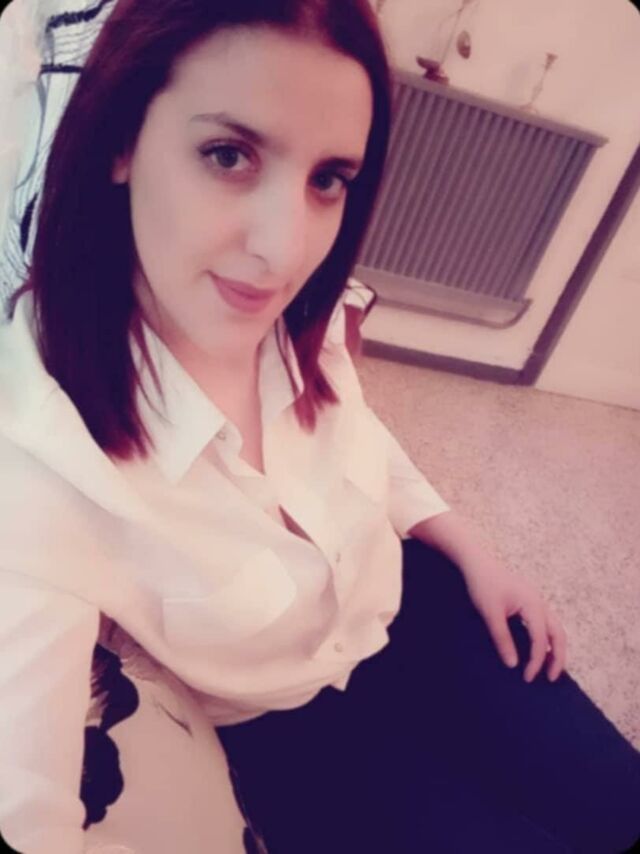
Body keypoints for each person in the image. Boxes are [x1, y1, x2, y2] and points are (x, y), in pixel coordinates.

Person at [0, 0, 639, 852]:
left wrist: (469, 547)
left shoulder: (302, 315)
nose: (286, 248)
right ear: (120, 138)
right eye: (228, 154)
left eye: (328, 179)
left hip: (413, 609)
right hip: (295, 738)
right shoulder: (40, 454)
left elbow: (357, 433)